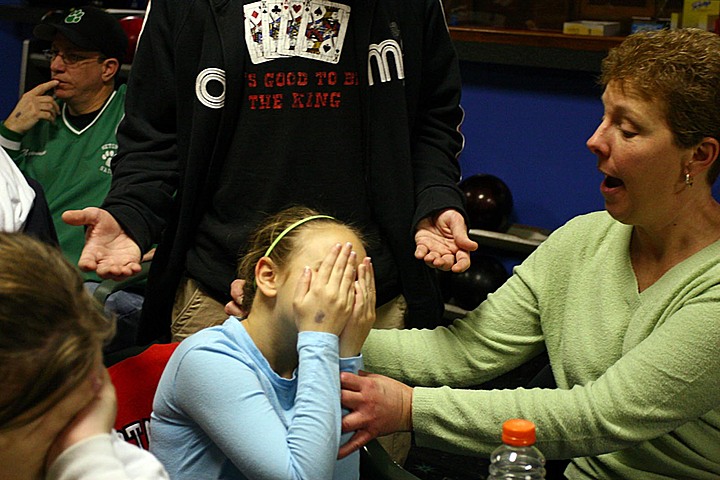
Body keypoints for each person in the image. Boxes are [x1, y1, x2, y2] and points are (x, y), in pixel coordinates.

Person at [337, 28, 720, 479]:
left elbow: (599, 415)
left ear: (698, 155)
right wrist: (307, 332)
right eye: (603, 119)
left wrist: (408, 407)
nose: (595, 141)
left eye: (628, 128)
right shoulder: (582, 241)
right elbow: (463, 353)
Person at [62, 0, 478, 347]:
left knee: (356, 448)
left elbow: (433, 121)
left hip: (367, 299)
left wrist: (435, 196)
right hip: (218, 293)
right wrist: (133, 212)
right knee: (205, 448)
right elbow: (153, 132)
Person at [150, 206, 375, 479]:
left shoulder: (314, 361)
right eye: (329, 275)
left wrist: (345, 357)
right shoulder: (208, 359)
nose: (340, 297)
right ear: (268, 277)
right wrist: (322, 340)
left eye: (354, 282)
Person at [0, 6, 146, 353]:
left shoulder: (137, 119)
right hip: (35, 279)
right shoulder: (33, 116)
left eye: (74, 56)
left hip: (100, 283)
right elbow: (7, 203)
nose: (56, 65)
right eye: (55, 53)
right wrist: (9, 134)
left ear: (108, 68)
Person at [0, 232, 170, 480]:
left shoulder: (94, 438)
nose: (74, 438)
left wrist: (91, 449)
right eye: (57, 429)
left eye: (82, 411)